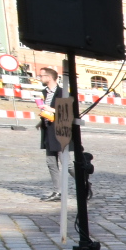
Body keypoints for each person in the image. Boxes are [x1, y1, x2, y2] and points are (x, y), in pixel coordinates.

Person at [35, 66, 71, 203]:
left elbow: (66, 112)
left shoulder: (63, 92)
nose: (40, 78)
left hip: (60, 132)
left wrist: (50, 109)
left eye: (42, 76)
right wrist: (42, 120)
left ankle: (83, 183)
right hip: (48, 130)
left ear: (49, 77)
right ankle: (57, 192)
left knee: (66, 164)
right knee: (51, 162)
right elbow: (48, 111)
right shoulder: (43, 93)